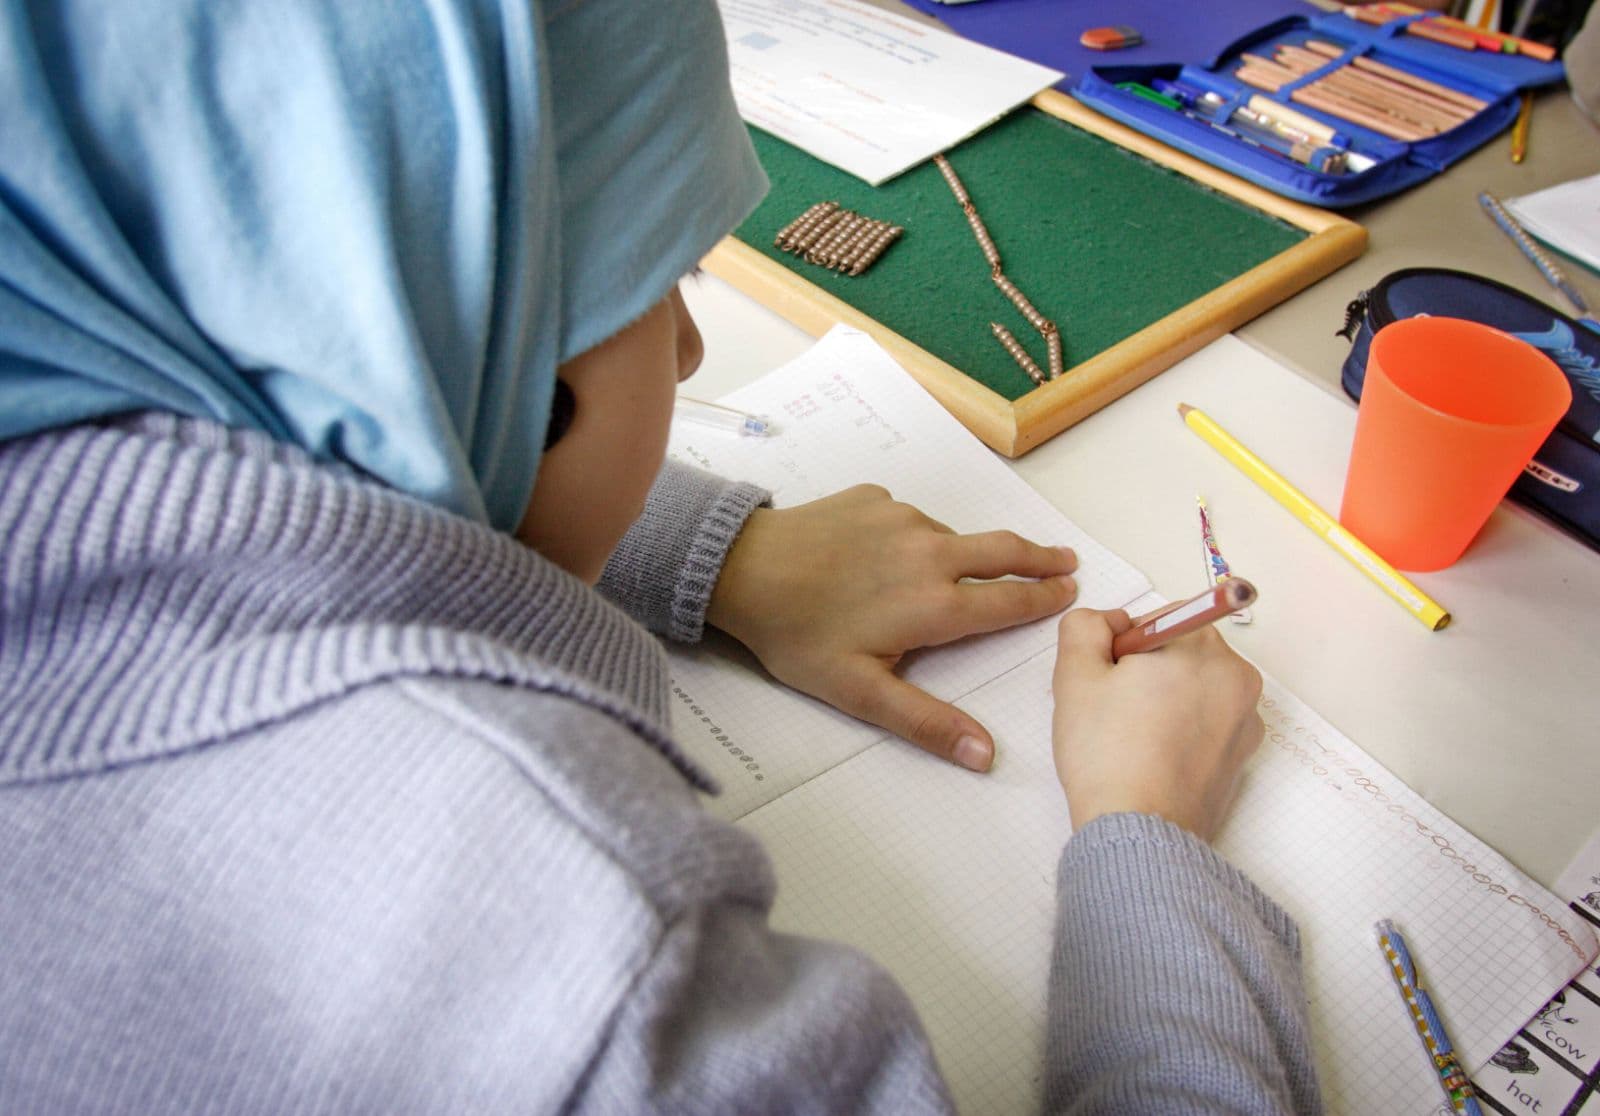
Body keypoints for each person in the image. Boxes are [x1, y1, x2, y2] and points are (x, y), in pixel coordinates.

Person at [0, 1, 1321, 1112]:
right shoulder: (578, 962)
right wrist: (1150, 838)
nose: (691, 353)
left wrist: (696, 544)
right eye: (659, 279)